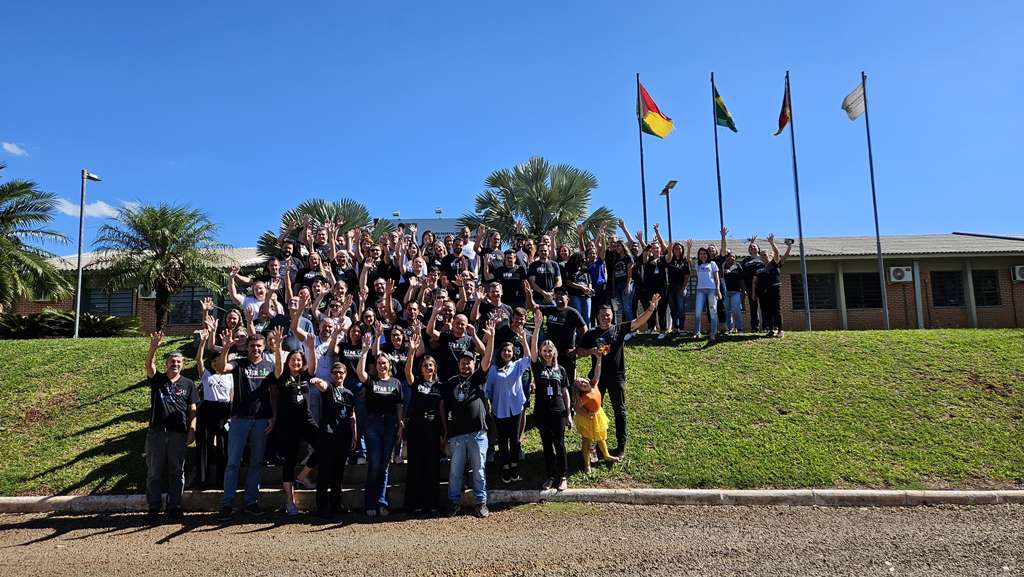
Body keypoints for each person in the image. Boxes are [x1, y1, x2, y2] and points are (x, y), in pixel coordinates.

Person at [576, 296, 661, 458]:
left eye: (607, 315)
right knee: (591, 410)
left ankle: (621, 446)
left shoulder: (619, 329)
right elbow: (579, 352)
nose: (605, 317)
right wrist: (592, 351)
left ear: (612, 316)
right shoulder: (591, 333)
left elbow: (637, 322)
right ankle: (593, 447)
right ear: (597, 316)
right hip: (596, 378)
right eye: (602, 315)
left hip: (616, 377)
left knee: (619, 411)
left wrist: (650, 309)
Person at [214, 330, 277, 520]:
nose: (255, 349)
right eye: (252, 346)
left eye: (259, 346)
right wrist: (226, 346)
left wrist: (273, 416)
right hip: (239, 419)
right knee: (233, 463)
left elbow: (274, 393)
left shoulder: (270, 365)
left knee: (257, 462)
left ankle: (251, 502)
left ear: (264, 347)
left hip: (261, 419)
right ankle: (227, 503)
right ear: (247, 347)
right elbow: (220, 367)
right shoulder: (239, 362)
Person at [442, 319, 495, 518]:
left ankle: (481, 502)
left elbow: (487, 359)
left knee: (479, 470)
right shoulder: (450, 383)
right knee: (455, 473)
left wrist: (489, 336)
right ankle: (453, 503)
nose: (466, 365)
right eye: (463, 362)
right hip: (456, 435)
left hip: (477, 433)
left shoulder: (477, 378)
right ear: (459, 364)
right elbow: (443, 407)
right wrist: (445, 432)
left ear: (474, 364)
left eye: (469, 362)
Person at [144, 332, 197, 520]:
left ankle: (174, 505)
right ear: (167, 363)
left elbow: (192, 409)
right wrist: (153, 347)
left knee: (177, 470)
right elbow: (149, 366)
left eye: (178, 362)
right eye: (172, 361)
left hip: (178, 434)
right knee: (154, 471)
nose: (175, 364)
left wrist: (192, 429)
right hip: (157, 433)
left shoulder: (189, 384)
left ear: (183, 365)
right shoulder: (158, 380)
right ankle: (154, 506)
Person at [354, 327, 405, 517]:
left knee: (384, 466)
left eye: (385, 363)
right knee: (374, 463)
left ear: (389, 365)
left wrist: (400, 425)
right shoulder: (371, 380)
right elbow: (360, 373)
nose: (382, 365)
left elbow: (399, 405)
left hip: (391, 424)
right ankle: (370, 503)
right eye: (379, 363)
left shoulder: (396, 383)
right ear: (376, 364)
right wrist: (365, 352)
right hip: (373, 424)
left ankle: (381, 502)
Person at [269, 327, 319, 516]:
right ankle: (290, 502)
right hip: (287, 424)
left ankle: (303, 475)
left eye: (299, 360)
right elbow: (278, 367)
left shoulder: (306, 376)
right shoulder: (281, 377)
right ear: (288, 361)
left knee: (323, 443)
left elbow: (313, 367)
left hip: (305, 420)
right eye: (293, 359)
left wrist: (311, 348)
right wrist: (278, 348)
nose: (296, 362)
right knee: (289, 461)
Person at [484, 311, 537, 483]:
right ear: (501, 352)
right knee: (503, 441)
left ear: (513, 353)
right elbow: (488, 389)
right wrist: (489, 405)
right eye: (505, 351)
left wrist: (523, 340)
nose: (507, 353)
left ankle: (515, 467)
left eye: (510, 351)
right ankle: (505, 468)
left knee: (514, 441)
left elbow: (528, 358)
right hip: (499, 410)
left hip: (515, 409)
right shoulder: (493, 370)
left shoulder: (517, 366)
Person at [403, 331, 445, 515]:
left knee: (432, 467)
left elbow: (442, 409)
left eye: (431, 365)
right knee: (416, 466)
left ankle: (432, 503)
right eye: (425, 365)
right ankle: (415, 504)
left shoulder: (439, 386)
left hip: (433, 428)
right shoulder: (417, 382)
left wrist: (445, 430)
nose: (428, 368)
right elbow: (407, 373)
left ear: (435, 368)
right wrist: (411, 352)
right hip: (416, 428)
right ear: (421, 369)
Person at [310, 362, 357, 518]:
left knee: (338, 473)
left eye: (341, 372)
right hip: (327, 436)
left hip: (343, 436)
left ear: (345, 374)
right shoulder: (329, 388)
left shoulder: (349, 394)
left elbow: (352, 416)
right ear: (331, 374)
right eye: (335, 372)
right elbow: (323, 386)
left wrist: (354, 435)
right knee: (324, 472)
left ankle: (336, 505)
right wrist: (317, 381)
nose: (338, 375)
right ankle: (322, 507)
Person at [193, 319, 232, 489]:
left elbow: (233, 396)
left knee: (224, 447)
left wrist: (231, 416)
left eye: (221, 360)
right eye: (216, 361)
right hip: (208, 408)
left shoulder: (230, 376)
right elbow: (199, 360)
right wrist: (203, 342)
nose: (219, 363)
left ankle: (222, 481)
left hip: (225, 410)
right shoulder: (207, 374)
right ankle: (202, 479)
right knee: (204, 444)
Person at [530, 338, 571, 491]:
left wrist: (569, 414)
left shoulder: (561, 369)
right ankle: (551, 476)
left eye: (550, 350)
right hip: (542, 411)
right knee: (547, 445)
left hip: (558, 411)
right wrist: (537, 327)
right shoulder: (537, 367)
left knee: (559, 444)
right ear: (541, 352)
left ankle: (563, 476)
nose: (547, 353)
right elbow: (532, 351)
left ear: (554, 352)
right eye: (544, 350)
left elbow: (565, 392)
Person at [573, 351, 618, 474]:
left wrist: (599, 359)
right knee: (586, 441)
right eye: (580, 385)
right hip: (588, 418)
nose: (582, 383)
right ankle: (587, 464)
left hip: (598, 414)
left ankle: (607, 455)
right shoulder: (585, 397)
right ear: (580, 390)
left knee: (601, 436)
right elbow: (576, 408)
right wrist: (586, 414)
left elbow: (597, 372)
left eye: (582, 381)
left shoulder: (594, 384)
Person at [751, 234, 791, 338]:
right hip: (762, 292)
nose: (763, 256)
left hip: (773, 289)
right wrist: (754, 294)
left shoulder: (774, 264)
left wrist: (772, 242)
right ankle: (771, 329)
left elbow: (777, 253)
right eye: (762, 255)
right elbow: (755, 281)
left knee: (776, 310)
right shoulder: (758, 267)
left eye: (765, 254)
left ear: (770, 255)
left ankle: (780, 330)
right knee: (766, 311)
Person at [693, 246, 722, 341]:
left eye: (704, 253)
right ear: (699, 255)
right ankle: (697, 332)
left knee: (713, 311)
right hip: (700, 290)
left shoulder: (712, 263)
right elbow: (689, 262)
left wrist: (718, 289)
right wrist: (689, 249)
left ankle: (713, 333)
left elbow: (717, 278)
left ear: (707, 254)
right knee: (698, 311)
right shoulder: (697, 264)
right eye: (701, 254)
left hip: (711, 290)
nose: (703, 255)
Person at [666, 241, 691, 335]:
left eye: (679, 248)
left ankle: (681, 328)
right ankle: (675, 328)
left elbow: (687, 276)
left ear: (682, 250)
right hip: (671, 288)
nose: (677, 250)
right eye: (675, 248)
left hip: (681, 287)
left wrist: (683, 288)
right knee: (673, 309)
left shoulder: (684, 261)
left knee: (681, 309)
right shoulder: (670, 260)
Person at [720, 250, 745, 334]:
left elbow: (742, 279)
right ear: (726, 258)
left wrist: (743, 290)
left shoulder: (738, 266)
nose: (732, 258)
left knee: (736, 309)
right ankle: (729, 329)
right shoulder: (722, 266)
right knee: (727, 311)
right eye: (730, 256)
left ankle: (739, 328)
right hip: (725, 292)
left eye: (734, 257)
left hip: (736, 292)